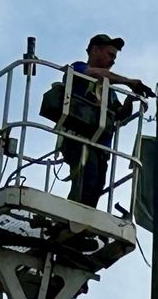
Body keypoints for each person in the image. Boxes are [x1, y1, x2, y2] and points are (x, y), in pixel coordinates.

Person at [63, 34, 151, 207]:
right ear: (96, 50)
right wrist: (128, 82)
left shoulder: (108, 89)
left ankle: (80, 222)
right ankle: (71, 220)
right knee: (86, 181)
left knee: (96, 185)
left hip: (100, 146)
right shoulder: (79, 68)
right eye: (111, 55)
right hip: (79, 138)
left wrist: (130, 101)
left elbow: (118, 114)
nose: (113, 61)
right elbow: (95, 73)